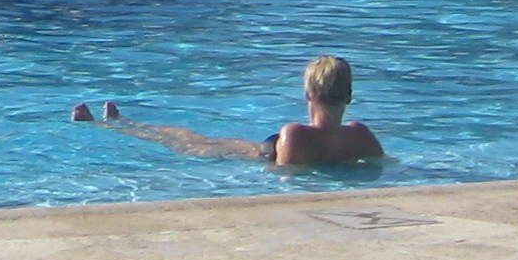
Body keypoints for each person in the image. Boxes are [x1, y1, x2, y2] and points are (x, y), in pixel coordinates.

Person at [73, 56, 387, 170]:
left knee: (183, 140)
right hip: (263, 151)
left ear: (308, 94)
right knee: (182, 139)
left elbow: (283, 173)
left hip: (251, 153)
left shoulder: (295, 134)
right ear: (349, 95)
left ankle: (113, 124)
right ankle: (117, 122)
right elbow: (385, 166)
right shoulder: (360, 135)